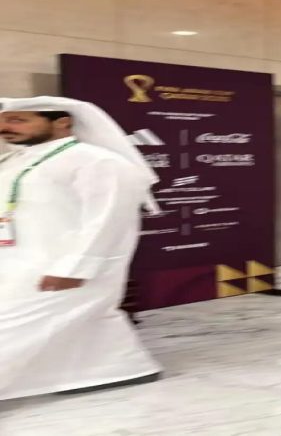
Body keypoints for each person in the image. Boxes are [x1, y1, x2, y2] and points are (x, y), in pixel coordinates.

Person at [0, 96, 161, 399]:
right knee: (82, 324)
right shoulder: (13, 160)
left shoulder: (99, 162)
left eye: (18, 120)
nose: (5, 128)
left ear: (62, 122)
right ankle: (118, 368)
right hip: (16, 263)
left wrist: (76, 267)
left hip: (63, 268)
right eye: (4, 121)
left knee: (10, 326)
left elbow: (109, 220)